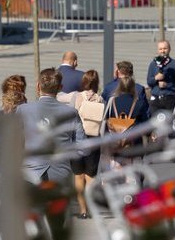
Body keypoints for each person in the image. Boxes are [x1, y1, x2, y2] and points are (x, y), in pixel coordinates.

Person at [19, 69, 84, 189]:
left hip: (30, 173)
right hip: (61, 172)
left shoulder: (23, 110)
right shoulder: (71, 112)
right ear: (61, 87)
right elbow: (82, 149)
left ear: (38, 86)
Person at [61, 69, 105, 217]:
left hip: (77, 140)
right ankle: (91, 206)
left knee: (78, 176)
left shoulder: (76, 97)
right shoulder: (100, 99)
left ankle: (83, 210)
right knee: (90, 176)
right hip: (94, 140)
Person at [101, 61, 151, 165]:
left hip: (115, 138)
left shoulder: (109, 88)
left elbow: (106, 114)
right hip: (134, 138)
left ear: (118, 71)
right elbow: (145, 114)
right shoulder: (140, 89)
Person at [147, 40, 175, 113]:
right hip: (155, 100)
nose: (162, 51)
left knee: (169, 123)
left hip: (170, 99)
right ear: (158, 50)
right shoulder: (153, 64)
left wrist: (167, 85)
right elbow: (149, 81)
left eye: (165, 48)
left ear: (169, 49)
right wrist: (155, 78)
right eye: (160, 49)